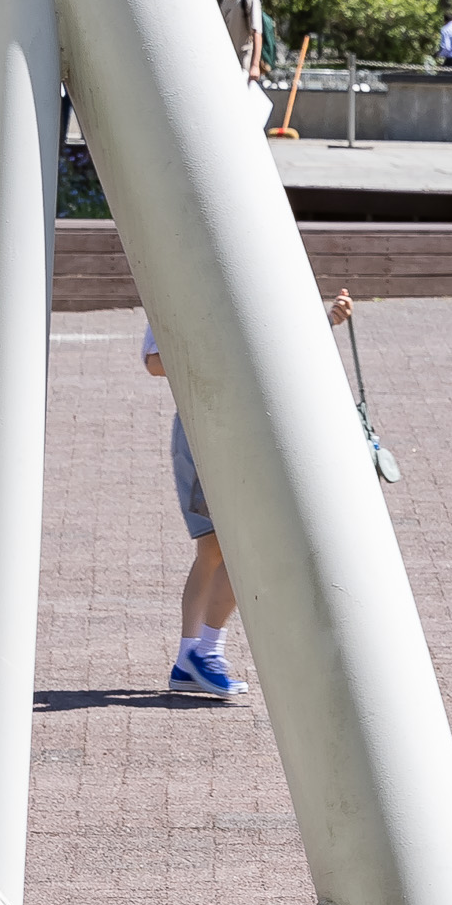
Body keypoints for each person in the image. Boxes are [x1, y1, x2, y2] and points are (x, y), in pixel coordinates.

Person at [145, 288, 353, 700]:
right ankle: (194, 654)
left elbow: (283, 346)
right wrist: (221, 347)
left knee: (248, 550)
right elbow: (154, 362)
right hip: (204, 433)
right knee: (215, 549)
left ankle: (202, 653)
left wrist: (328, 320)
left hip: (251, 435)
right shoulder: (181, 283)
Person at [218, 0, 261, 80]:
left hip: (243, 61)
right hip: (226, 62)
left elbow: (257, 33)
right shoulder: (224, 0)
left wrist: (255, 66)